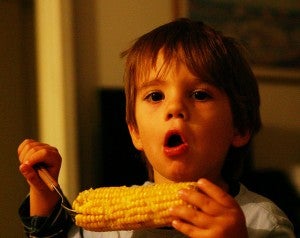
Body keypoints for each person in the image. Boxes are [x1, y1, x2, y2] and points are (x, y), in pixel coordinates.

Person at [18, 18, 295, 237]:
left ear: (239, 128)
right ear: (135, 132)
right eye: (155, 96)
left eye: (199, 95)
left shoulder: (262, 221)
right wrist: (44, 193)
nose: (174, 108)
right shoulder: (108, 229)